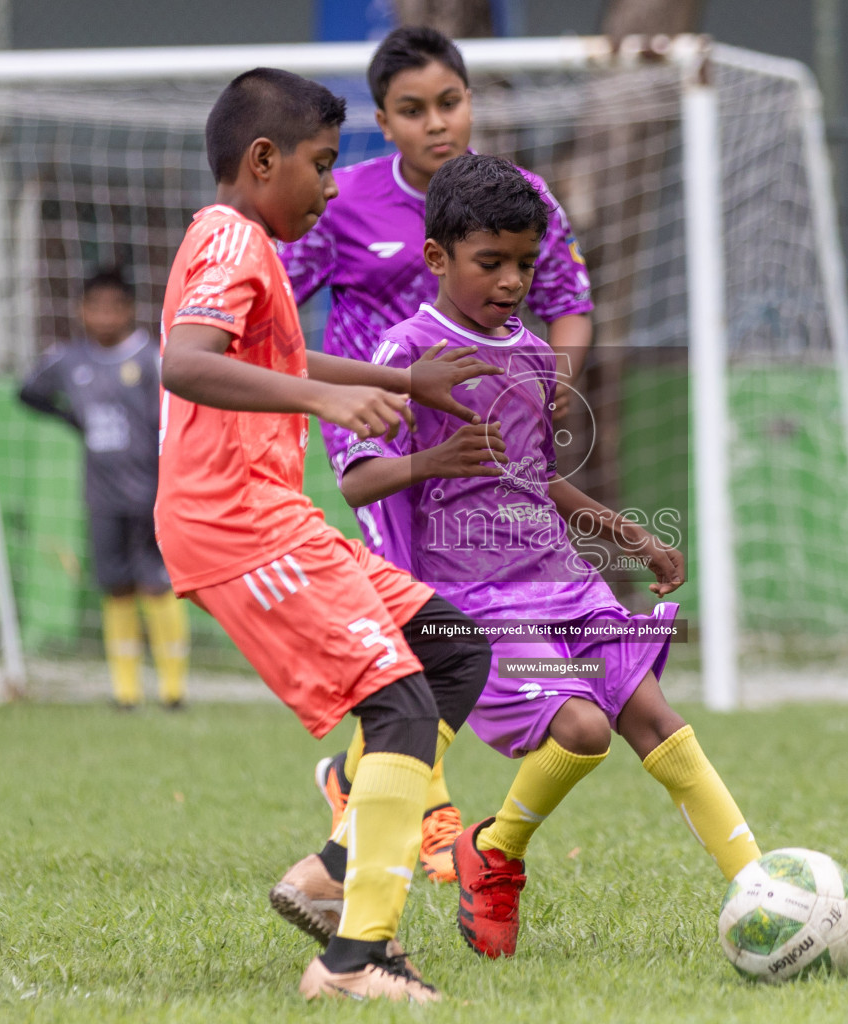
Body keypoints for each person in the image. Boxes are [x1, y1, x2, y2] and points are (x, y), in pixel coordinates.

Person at [334, 154, 762, 959]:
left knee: (653, 717)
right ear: (437, 258)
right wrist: (430, 461)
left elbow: (536, 481)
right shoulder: (402, 355)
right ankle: (492, 852)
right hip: (475, 609)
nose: (510, 281)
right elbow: (357, 483)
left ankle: (762, 886)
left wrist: (627, 534)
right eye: (489, 262)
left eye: (524, 264)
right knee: (580, 726)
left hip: (566, 583)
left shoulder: (533, 355)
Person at [154, 67, 499, 1002]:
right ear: (262, 160)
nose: (334, 185)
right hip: (240, 528)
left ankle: (331, 873)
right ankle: (355, 961)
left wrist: (399, 383)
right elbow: (186, 363)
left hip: (273, 518)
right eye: (320, 164)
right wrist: (324, 398)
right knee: (398, 708)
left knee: (453, 651)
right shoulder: (230, 240)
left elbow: (281, 353)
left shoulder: (242, 243)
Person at [280, 25, 596, 883]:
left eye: (449, 102)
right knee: (423, 619)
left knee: (441, 626)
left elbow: (569, 300)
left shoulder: (522, 195)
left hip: (487, 448)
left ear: (470, 101)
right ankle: (431, 814)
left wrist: (546, 390)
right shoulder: (338, 203)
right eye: (412, 110)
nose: (436, 123)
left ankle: (354, 779)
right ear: (382, 121)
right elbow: (271, 314)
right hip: (384, 433)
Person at [18, 268, 190, 710]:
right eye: (95, 307)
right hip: (103, 495)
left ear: (129, 310)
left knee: (157, 584)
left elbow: (176, 414)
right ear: (81, 310)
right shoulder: (68, 360)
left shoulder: (151, 359)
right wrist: (68, 419)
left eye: (114, 307)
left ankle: (173, 689)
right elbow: (27, 393)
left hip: (151, 494)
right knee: (116, 586)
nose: (104, 316)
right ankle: (125, 691)